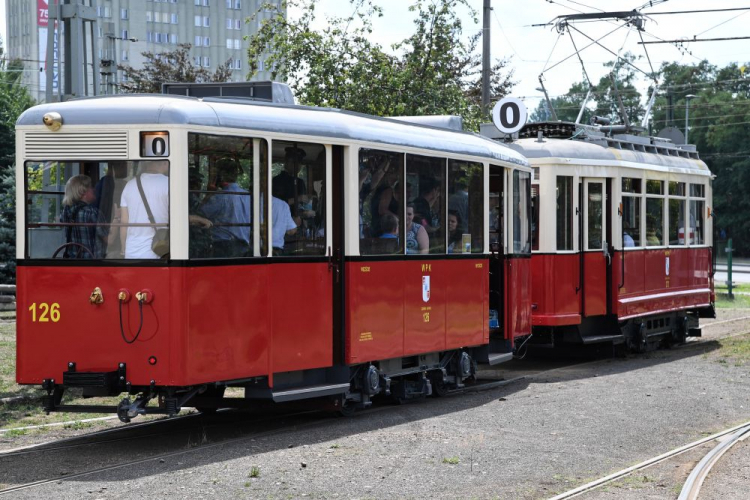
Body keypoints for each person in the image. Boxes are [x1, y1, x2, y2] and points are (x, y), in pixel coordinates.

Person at [202, 158, 251, 258]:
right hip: (244, 245)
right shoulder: (247, 195)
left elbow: (200, 215)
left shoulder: (219, 197)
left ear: (220, 176)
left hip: (223, 246)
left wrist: (208, 193)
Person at [120, 161, 169, 259]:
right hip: (159, 251)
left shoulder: (129, 185)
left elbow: (124, 223)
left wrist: (123, 250)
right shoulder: (169, 184)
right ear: (164, 163)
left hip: (132, 252)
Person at [60, 175, 110, 259]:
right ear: (83, 192)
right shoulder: (92, 212)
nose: (94, 189)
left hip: (73, 261)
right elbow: (109, 240)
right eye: (91, 187)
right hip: (93, 262)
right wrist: (117, 218)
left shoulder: (66, 211)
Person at [273, 146, 307, 218]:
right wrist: (298, 199)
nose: (298, 165)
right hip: (281, 219)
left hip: (298, 222)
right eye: (293, 162)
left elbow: (302, 205)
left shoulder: (300, 182)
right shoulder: (277, 181)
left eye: (299, 162)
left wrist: (305, 213)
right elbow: (276, 203)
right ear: (286, 162)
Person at [187, 168, 213, 258]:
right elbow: (203, 212)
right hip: (193, 242)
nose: (199, 186)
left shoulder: (192, 197)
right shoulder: (190, 198)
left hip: (198, 242)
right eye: (196, 183)